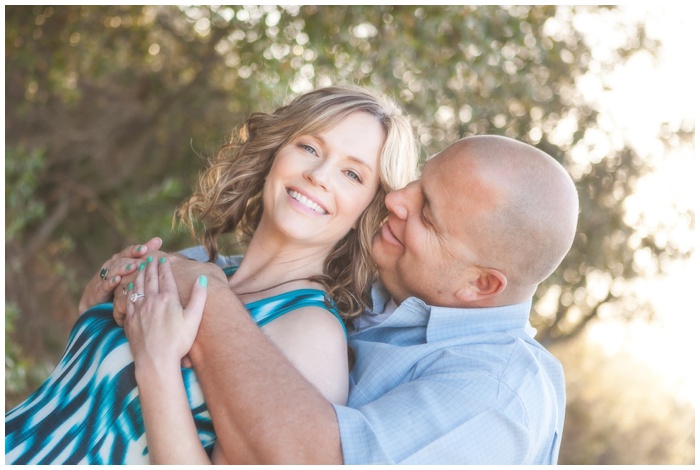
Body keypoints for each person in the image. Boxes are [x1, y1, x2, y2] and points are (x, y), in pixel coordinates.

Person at [4, 85, 419, 464]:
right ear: (276, 153)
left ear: (370, 210)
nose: (319, 175)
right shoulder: (200, 266)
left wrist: (158, 363)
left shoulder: (312, 333)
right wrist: (91, 311)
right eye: (309, 147)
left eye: (352, 174)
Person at [135, 134, 579, 464]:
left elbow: (310, 459)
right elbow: (240, 278)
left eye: (425, 212)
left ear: (481, 285)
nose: (397, 199)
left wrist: (206, 298)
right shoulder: (378, 285)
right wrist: (135, 275)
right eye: (418, 181)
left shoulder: (496, 401)